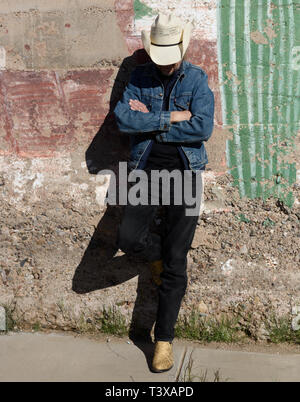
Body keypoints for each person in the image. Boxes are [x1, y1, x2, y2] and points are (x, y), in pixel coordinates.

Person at [113, 13, 214, 373]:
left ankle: (164, 339)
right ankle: (153, 261)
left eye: (171, 55)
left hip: (186, 175)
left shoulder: (197, 79)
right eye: (161, 55)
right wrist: (172, 118)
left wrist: (151, 119)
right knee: (128, 238)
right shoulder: (139, 77)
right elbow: (123, 120)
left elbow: (203, 127)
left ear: (181, 50)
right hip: (146, 173)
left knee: (177, 258)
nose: (167, 63)